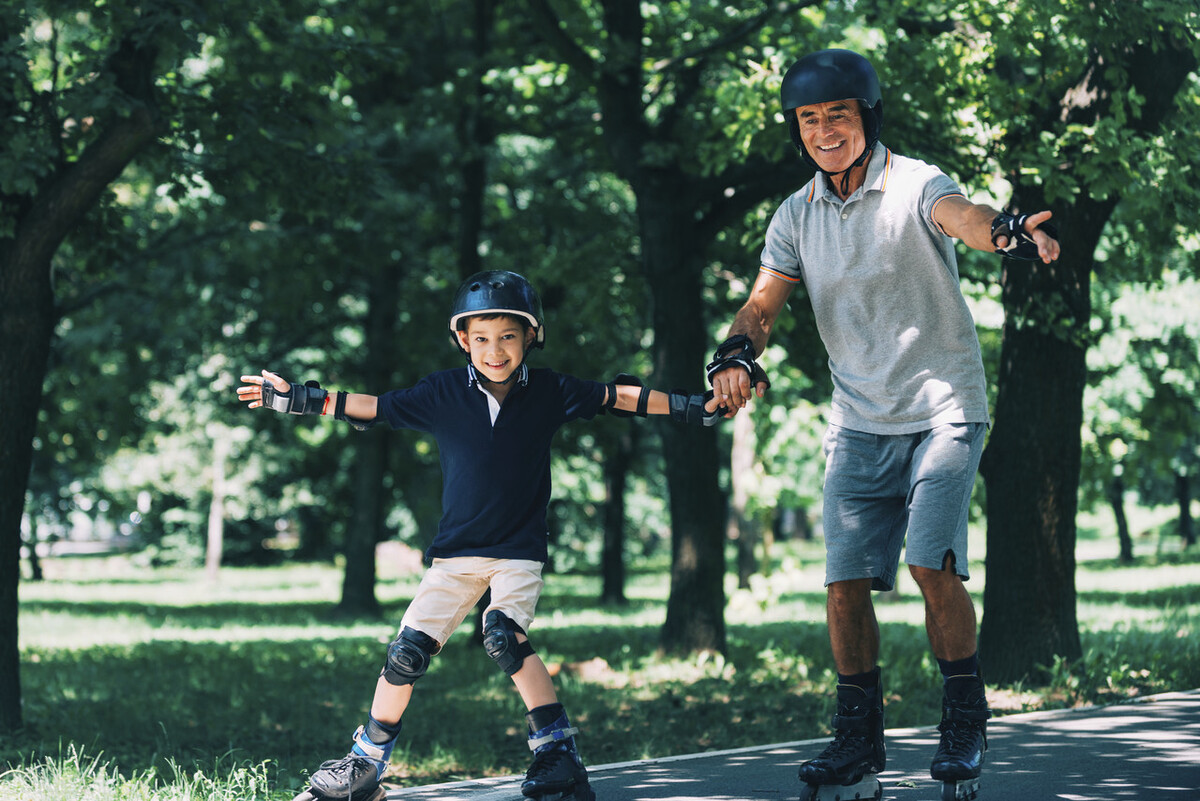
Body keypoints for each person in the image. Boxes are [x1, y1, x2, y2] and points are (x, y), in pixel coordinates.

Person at [706, 49, 1060, 800]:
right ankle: (857, 739)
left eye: (838, 114)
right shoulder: (795, 214)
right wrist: (735, 350)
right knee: (842, 583)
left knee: (930, 561)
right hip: (860, 419)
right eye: (809, 119)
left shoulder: (915, 182)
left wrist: (1002, 230)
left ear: (867, 117)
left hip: (943, 408)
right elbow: (763, 302)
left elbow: (958, 216)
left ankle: (964, 716)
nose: (824, 130)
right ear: (797, 129)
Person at [238, 270, 721, 801]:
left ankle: (557, 752)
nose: (495, 350)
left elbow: (620, 397)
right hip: (454, 556)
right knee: (406, 653)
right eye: (483, 339)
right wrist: (298, 400)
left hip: (517, 552)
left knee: (503, 635)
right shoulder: (442, 393)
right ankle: (366, 763)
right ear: (464, 340)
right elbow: (374, 407)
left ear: (531, 337)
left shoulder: (552, 391)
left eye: (509, 336)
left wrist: (692, 407)